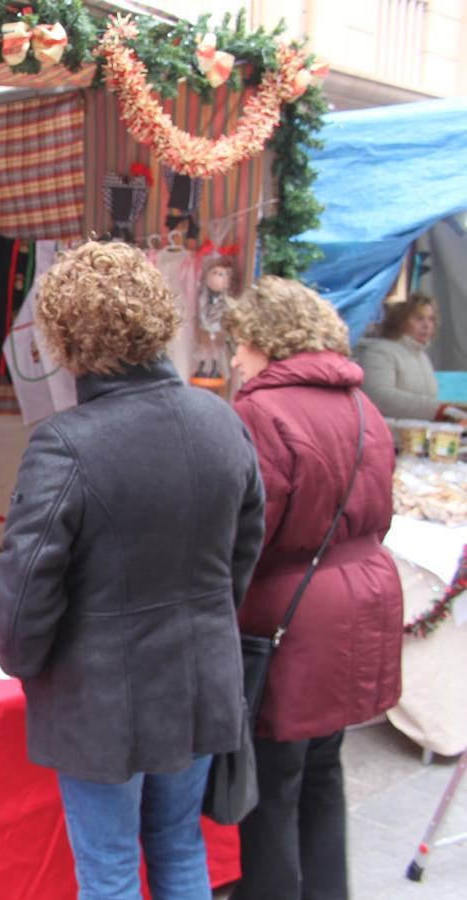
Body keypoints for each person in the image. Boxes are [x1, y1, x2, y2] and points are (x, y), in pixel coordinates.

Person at [0, 241, 266, 900]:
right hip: (197, 677)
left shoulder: (67, 443)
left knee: (111, 868)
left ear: (62, 338)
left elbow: (25, 594)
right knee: (177, 845)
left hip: (102, 697)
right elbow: (240, 559)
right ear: (157, 319)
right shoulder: (221, 422)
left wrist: (23, 659)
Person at [225, 276, 402, 900]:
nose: (235, 359)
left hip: (291, 616)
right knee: (323, 772)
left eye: (240, 344)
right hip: (360, 602)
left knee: (271, 788)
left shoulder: (260, 411)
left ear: (266, 341)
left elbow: (250, 532)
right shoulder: (363, 405)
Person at [354, 292, 440, 420]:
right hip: (388, 435)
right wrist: (438, 409)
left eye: (431, 319)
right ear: (400, 321)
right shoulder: (379, 352)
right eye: (419, 318)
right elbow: (379, 397)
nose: (427, 325)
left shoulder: (422, 356)